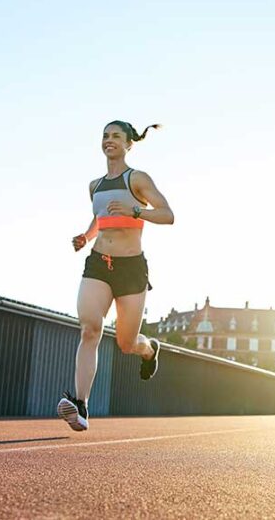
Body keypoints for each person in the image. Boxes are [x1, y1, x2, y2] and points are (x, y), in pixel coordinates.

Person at [57, 120, 175, 431]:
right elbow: (101, 217)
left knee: (126, 343)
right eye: (105, 136)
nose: (109, 141)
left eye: (116, 137)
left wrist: (136, 211)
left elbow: (168, 215)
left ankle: (149, 350)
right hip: (98, 263)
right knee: (90, 329)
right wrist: (86, 237)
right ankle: (81, 404)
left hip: (131, 268)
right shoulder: (94, 185)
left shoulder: (137, 179)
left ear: (128, 145)